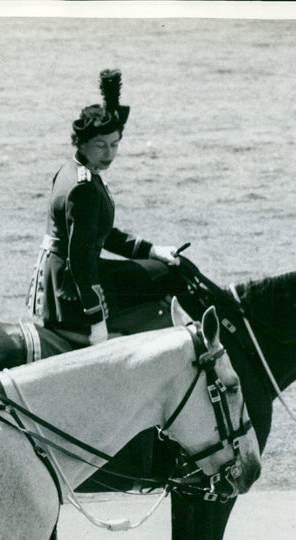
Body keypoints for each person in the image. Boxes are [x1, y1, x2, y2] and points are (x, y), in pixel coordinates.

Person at [27, 69, 184, 345]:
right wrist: (95, 318)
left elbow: (100, 233)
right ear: (82, 143)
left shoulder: (75, 169)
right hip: (71, 285)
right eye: (101, 145)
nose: (109, 153)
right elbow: (80, 259)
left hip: (62, 271)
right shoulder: (84, 187)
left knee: (163, 269)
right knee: (169, 278)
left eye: (114, 145)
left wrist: (153, 250)